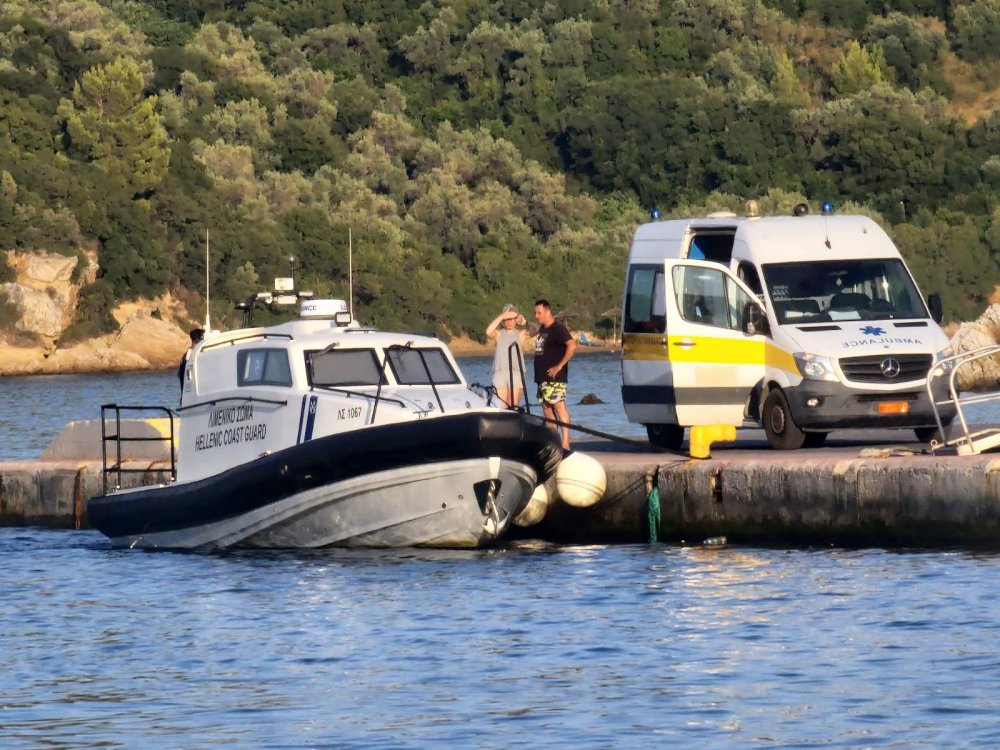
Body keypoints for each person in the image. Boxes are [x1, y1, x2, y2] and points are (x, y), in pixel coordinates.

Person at [532, 299, 577, 454]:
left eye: (539, 313)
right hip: (542, 378)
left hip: (555, 377)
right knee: (546, 408)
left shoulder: (558, 329)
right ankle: (555, 441)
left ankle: (565, 443)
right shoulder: (542, 330)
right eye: (535, 313)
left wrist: (560, 365)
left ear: (548, 311)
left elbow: (572, 345)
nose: (537, 316)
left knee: (559, 406)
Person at [485, 304, 528, 408]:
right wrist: (502, 316)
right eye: (506, 319)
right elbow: (488, 331)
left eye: (511, 319)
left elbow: (537, 329)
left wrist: (524, 321)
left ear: (515, 319)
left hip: (516, 372)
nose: (509, 322)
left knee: (513, 406)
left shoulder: (520, 334)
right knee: (501, 405)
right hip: (500, 372)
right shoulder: (499, 334)